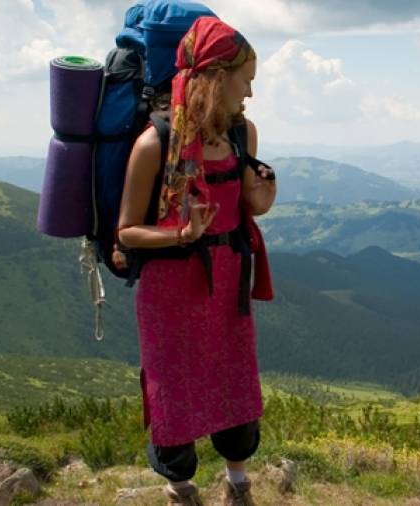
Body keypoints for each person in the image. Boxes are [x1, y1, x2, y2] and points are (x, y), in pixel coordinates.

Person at [117, 16, 276, 506]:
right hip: (171, 289)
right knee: (174, 389)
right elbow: (126, 231)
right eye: (244, 79)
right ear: (214, 75)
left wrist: (262, 195)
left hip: (227, 279)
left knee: (234, 381)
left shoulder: (240, 134)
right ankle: (180, 489)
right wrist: (181, 234)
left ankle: (238, 484)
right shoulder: (153, 144)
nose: (249, 91)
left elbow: (247, 206)